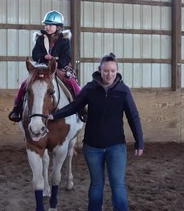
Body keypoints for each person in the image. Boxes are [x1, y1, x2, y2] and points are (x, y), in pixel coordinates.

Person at [48, 53, 144, 211]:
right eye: (106, 70)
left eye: (112, 71)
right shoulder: (90, 89)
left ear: (117, 71)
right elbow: (74, 106)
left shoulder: (123, 90)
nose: (109, 74)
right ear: (100, 70)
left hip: (116, 147)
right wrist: (54, 115)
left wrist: (139, 141)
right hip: (93, 147)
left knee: (118, 185)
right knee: (96, 185)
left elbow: (133, 116)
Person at [8, 10, 81, 122]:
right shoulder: (41, 39)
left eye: (50, 25)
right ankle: (17, 109)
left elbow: (67, 57)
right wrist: (44, 57)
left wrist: (57, 63)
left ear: (58, 27)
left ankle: (81, 107)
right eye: (46, 25)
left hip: (59, 67)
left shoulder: (64, 41)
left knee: (72, 83)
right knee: (25, 84)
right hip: (42, 67)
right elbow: (35, 54)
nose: (48, 27)